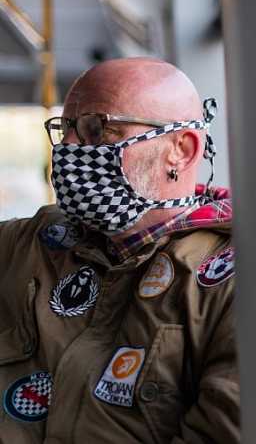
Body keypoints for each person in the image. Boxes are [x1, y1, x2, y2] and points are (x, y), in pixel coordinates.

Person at [0, 58, 239, 443]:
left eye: (98, 128)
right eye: (67, 128)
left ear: (180, 149)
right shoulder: (31, 244)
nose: (69, 148)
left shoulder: (233, 280)